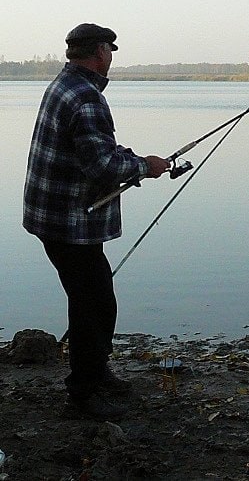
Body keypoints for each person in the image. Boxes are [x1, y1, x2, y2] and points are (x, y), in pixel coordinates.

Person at [23, 23, 171, 419]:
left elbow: (95, 150)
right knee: (93, 304)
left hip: (55, 216)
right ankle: (83, 395)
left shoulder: (64, 85)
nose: (111, 58)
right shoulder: (87, 98)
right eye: (110, 50)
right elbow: (103, 165)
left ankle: (97, 372)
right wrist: (146, 166)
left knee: (95, 299)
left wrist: (132, 160)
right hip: (70, 222)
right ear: (100, 52)